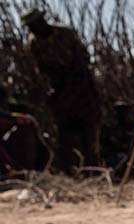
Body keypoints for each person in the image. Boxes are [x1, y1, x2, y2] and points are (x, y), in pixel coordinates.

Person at [21, 8, 101, 173]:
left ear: (42, 20)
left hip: (81, 88)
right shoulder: (34, 42)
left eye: (35, 23)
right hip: (60, 91)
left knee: (88, 131)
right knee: (64, 133)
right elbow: (42, 70)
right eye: (30, 26)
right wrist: (54, 90)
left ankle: (93, 170)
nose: (34, 28)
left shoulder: (65, 33)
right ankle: (68, 171)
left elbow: (82, 60)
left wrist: (76, 86)